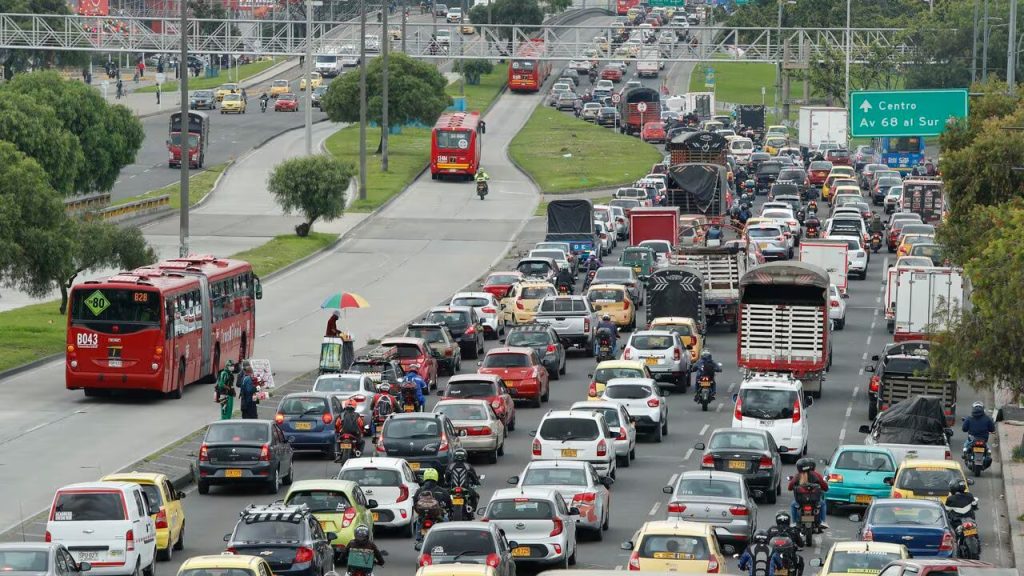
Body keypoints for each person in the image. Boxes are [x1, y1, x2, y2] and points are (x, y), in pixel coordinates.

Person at [788, 458, 829, 529]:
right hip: (815, 501)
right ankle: (823, 521)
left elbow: (790, 487)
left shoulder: (797, 476)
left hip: (800, 501)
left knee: (793, 505)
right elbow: (825, 487)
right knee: (823, 504)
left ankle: (794, 522)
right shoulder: (816, 475)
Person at [413, 469, 452, 539]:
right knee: (446, 520)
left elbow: (415, 502)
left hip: (423, 516)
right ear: (436, 477)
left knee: (418, 520)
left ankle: (418, 538)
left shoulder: (419, 490)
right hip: (438, 516)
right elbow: (449, 503)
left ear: (425, 477)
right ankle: (447, 538)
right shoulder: (442, 491)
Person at [444, 448, 482, 513]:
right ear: (465, 456)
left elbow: (447, 478)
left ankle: (448, 509)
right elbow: (474, 478)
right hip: (465, 489)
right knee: (476, 495)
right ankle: (471, 509)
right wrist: (477, 482)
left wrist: (446, 482)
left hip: (452, 489)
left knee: (445, 496)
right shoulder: (468, 466)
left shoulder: (450, 466)